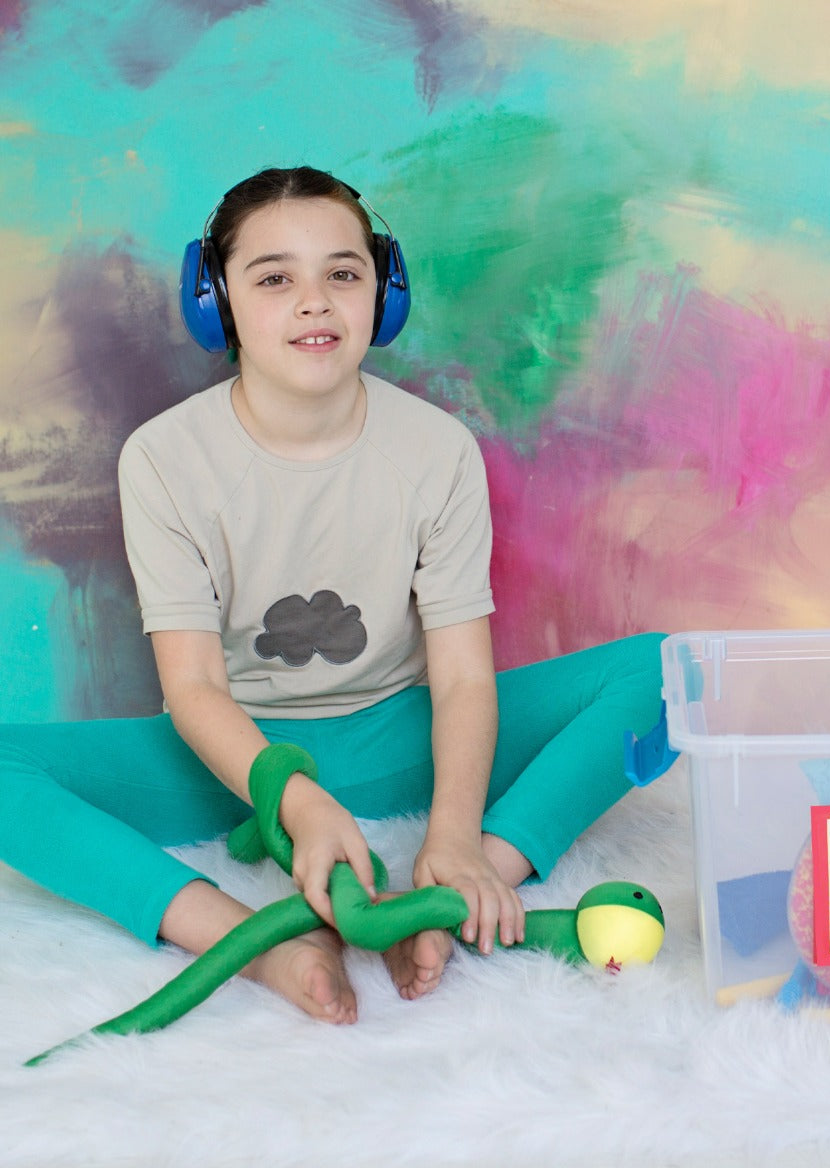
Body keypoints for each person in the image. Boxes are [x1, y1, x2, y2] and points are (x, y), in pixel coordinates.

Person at [0, 166, 665, 1025]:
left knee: (663, 672)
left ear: (382, 296)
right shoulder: (163, 459)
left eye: (343, 274)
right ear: (218, 303)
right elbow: (194, 687)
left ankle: (450, 900)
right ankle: (261, 944)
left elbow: (465, 678)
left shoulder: (438, 449)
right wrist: (296, 801)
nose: (314, 301)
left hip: (401, 733)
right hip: (235, 760)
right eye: (275, 278)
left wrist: (455, 839)